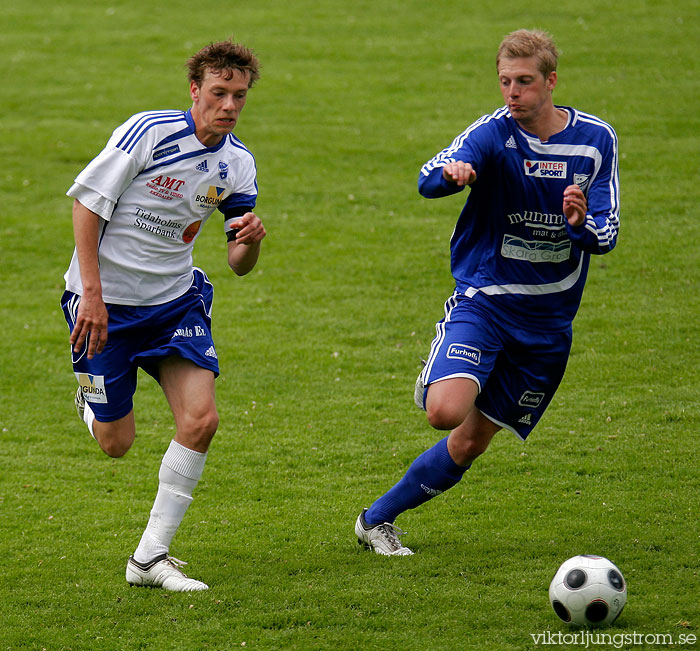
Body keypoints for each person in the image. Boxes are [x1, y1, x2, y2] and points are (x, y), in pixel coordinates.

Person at [355, 29, 620, 555]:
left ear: (551, 81)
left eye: (524, 82)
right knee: (444, 412)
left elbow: (607, 229)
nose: (512, 93)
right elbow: (428, 176)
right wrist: (453, 177)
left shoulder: (596, 140)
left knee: (471, 441)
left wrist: (578, 225)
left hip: (548, 325)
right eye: (505, 82)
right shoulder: (494, 134)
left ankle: (375, 521)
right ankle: (441, 375)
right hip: (488, 298)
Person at [61, 40, 266, 590]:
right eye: (218, 93)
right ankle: (91, 398)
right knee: (116, 443)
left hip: (175, 302)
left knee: (202, 421)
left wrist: (250, 240)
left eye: (239, 96)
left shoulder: (237, 164)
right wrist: (93, 296)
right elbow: (85, 204)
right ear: (195, 90)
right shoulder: (148, 132)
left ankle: (150, 558)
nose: (228, 106)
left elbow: (238, 263)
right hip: (103, 306)